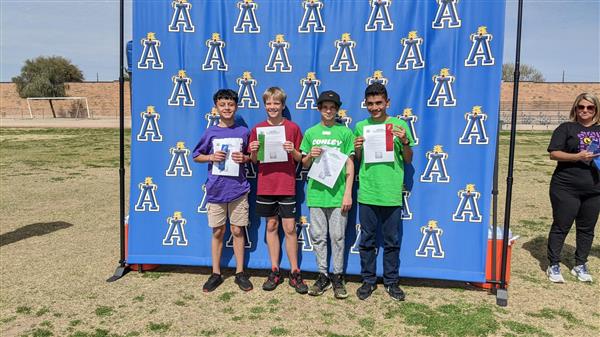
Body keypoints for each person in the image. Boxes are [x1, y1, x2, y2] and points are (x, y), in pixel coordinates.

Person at [353, 83, 414, 300]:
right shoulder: (360, 126)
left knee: (391, 241)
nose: (375, 107)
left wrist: (405, 142)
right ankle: (368, 281)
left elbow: (408, 159)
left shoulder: (399, 125)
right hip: (368, 192)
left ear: (387, 102)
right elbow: (358, 159)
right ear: (365, 104)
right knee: (367, 241)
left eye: (379, 103)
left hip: (390, 193)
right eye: (370, 104)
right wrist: (358, 147)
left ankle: (391, 282)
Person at [248, 87, 308, 294]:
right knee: (271, 225)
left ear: (283, 105)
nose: (272, 107)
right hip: (265, 184)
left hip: (286, 184)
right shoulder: (257, 129)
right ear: (265, 105)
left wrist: (293, 151)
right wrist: (254, 152)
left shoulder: (292, 128)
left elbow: (302, 159)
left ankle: (295, 271)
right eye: (269, 103)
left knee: (290, 228)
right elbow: (254, 161)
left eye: (276, 103)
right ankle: (274, 270)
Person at [192, 89, 253, 292]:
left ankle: (240, 273)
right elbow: (196, 155)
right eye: (222, 105)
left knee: (237, 230)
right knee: (218, 231)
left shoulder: (244, 131)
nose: (227, 108)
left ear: (236, 107)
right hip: (216, 190)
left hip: (239, 189)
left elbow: (253, 157)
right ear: (216, 108)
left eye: (230, 105)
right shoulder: (210, 132)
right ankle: (216, 273)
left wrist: (245, 159)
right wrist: (211, 157)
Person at [300, 91, 355, 299]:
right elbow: (303, 163)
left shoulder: (345, 133)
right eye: (325, 107)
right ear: (319, 109)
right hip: (316, 194)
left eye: (332, 107)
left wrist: (348, 192)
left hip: (338, 194)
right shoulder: (311, 132)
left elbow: (350, 164)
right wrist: (309, 156)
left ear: (337, 109)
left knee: (338, 237)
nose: (329, 110)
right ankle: (322, 275)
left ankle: (337, 276)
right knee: (318, 237)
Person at [546, 92, 600, 283]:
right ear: (575, 108)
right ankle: (553, 264)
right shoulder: (566, 128)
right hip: (566, 187)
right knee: (561, 226)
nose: (585, 111)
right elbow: (554, 154)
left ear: (595, 110)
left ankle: (580, 264)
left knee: (587, 229)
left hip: (594, 189)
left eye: (590, 107)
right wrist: (578, 156)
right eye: (581, 107)